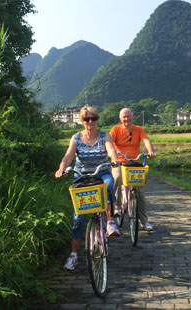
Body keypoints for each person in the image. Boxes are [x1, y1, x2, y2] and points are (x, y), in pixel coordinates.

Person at [55, 106, 120, 271]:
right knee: (79, 218)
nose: (90, 122)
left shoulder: (105, 135)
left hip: (101, 172)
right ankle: (73, 255)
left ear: (97, 119)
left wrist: (114, 160)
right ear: (82, 121)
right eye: (86, 119)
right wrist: (62, 168)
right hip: (82, 176)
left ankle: (111, 222)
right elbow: (69, 155)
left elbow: (111, 150)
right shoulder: (76, 138)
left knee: (109, 185)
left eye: (93, 119)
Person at [110, 108, 156, 231]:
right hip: (119, 162)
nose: (126, 119)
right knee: (117, 178)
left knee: (139, 192)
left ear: (132, 117)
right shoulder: (116, 130)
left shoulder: (138, 129)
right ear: (120, 118)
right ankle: (118, 207)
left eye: (128, 116)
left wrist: (150, 151)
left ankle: (144, 221)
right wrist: (112, 154)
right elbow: (108, 142)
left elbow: (146, 140)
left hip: (134, 162)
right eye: (124, 117)